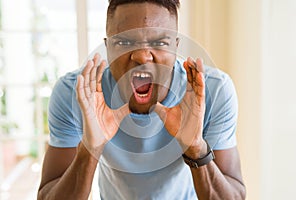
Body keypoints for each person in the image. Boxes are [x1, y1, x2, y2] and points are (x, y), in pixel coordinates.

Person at [37, 0, 246, 199]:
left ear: (176, 46)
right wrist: (89, 149)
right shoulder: (76, 94)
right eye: (125, 42)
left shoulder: (212, 90)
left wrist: (196, 149)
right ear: (107, 47)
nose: (142, 56)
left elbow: (235, 196)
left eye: (159, 42)